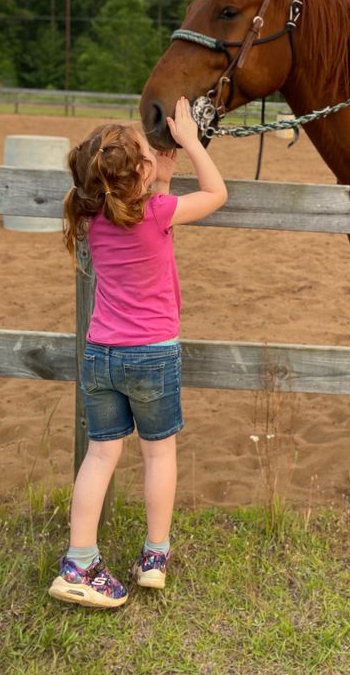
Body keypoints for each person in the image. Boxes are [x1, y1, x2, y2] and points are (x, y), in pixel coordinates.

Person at [49, 97, 227, 608]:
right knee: (159, 453)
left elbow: (136, 212)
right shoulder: (157, 212)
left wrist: (158, 178)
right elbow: (217, 192)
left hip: (101, 353)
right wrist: (191, 142)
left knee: (101, 454)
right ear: (139, 175)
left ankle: (79, 561)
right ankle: (154, 556)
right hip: (153, 354)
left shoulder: (91, 218)